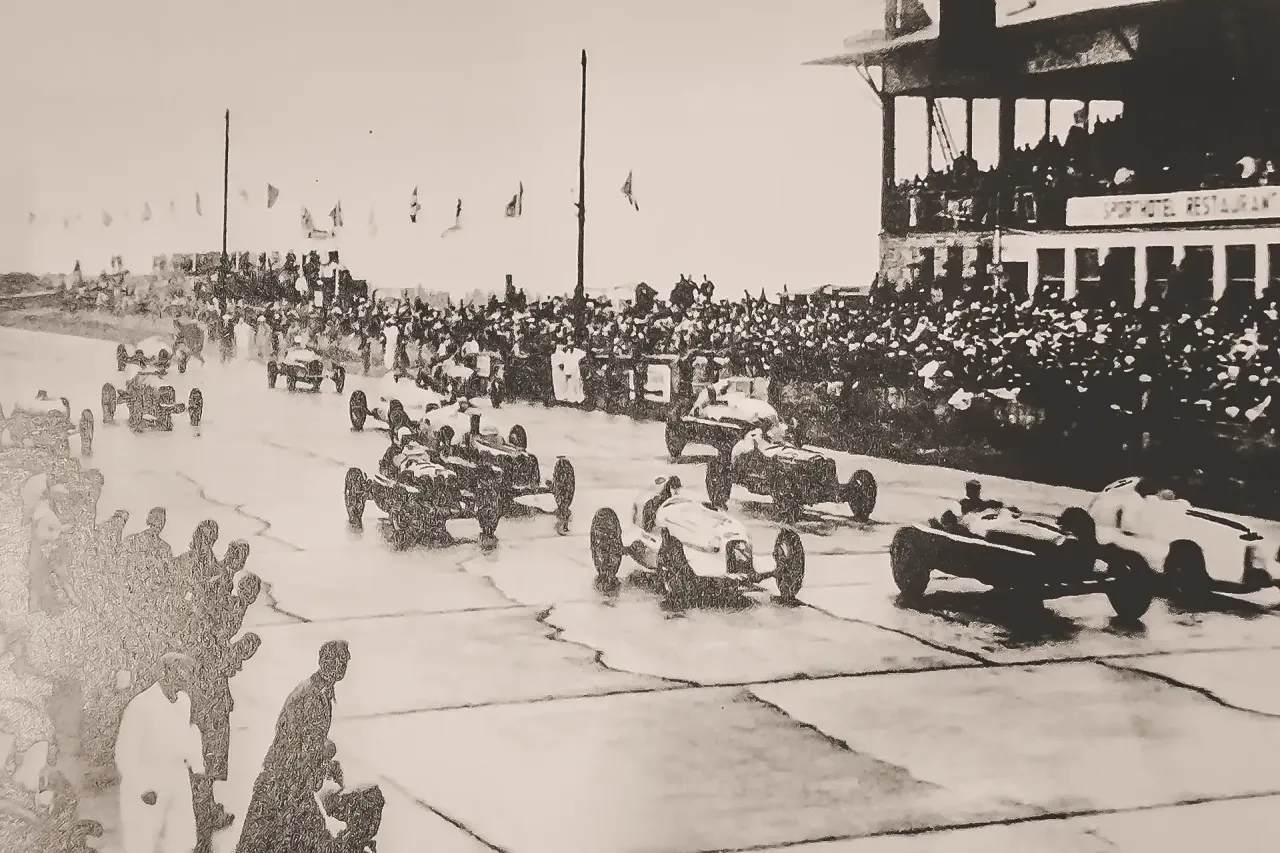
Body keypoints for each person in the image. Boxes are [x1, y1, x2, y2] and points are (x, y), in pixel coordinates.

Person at [235, 640, 352, 853]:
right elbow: (307, 744)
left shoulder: (317, 689)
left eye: (343, 662)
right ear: (322, 662)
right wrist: (322, 764)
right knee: (273, 837)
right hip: (287, 779)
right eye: (334, 662)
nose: (339, 667)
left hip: (286, 777)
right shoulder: (315, 696)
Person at [114, 652, 205, 853]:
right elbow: (124, 753)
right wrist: (143, 788)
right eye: (179, 671)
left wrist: (194, 761)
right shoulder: (141, 705)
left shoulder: (184, 702)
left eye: (188, 672)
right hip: (147, 789)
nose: (184, 677)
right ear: (165, 672)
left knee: (181, 845)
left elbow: (183, 741)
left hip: (177, 784)